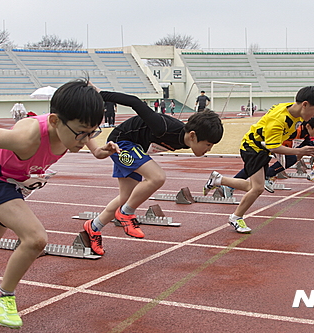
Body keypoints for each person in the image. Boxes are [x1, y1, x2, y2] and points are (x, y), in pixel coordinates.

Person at [0, 78, 119, 329]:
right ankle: (3, 296)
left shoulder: (74, 129)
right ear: (56, 121)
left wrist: (98, 151)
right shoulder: (26, 137)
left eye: (92, 132)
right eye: (81, 132)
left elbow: (86, 135)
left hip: (17, 184)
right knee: (35, 238)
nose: (85, 138)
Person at [83, 83, 224, 255]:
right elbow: (135, 102)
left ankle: (94, 226)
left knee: (126, 197)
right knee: (157, 177)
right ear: (193, 135)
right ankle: (126, 213)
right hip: (122, 143)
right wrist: (100, 94)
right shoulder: (163, 127)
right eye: (208, 144)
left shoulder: (186, 139)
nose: (208, 149)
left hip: (136, 148)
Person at [202, 86, 314, 234]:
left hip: (261, 147)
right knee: (258, 188)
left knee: (252, 187)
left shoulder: (293, 111)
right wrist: (299, 151)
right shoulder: (279, 120)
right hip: (253, 147)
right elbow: (274, 147)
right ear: (304, 104)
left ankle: (219, 180)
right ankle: (235, 217)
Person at [229, 112, 314, 193]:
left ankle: (229, 186)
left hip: (271, 146)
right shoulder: (295, 129)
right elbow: (276, 143)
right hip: (261, 145)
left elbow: (307, 146)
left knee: (256, 169)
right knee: (290, 158)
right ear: (309, 126)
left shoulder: (305, 133)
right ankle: (267, 175)